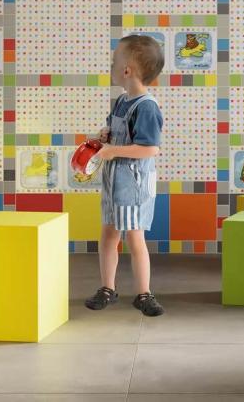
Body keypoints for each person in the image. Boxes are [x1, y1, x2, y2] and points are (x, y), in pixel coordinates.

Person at [85, 35, 165, 316]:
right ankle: (108, 288)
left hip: (133, 184)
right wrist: (104, 135)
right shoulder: (122, 101)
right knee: (109, 233)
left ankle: (144, 293)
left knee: (134, 237)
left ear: (127, 70)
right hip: (114, 182)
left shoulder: (147, 107)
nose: (111, 66)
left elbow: (150, 148)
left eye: (113, 62)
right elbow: (116, 130)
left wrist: (113, 151)